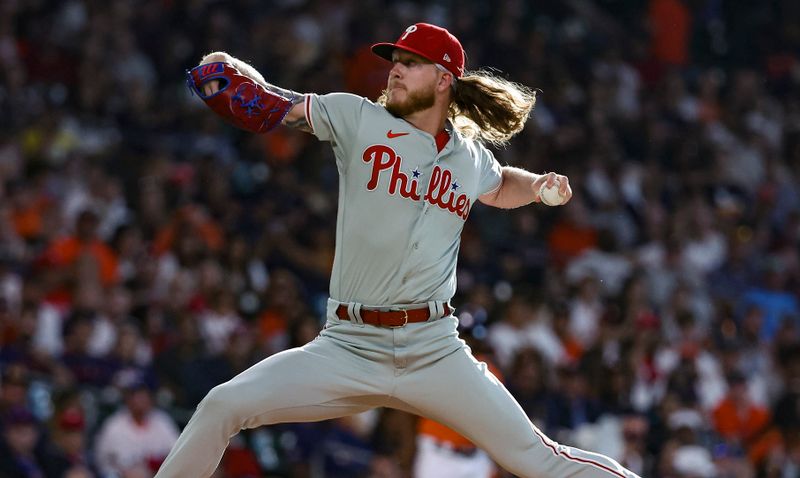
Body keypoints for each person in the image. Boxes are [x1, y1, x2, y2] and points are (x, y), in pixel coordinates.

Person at [156, 23, 639, 478]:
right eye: (396, 60)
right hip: (348, 345)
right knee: (222, 405)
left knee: (536, 457)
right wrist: (228, 67)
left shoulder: (468, 157)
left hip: (434, 349)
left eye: (412, 61)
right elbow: (271, 103)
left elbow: (498, 185)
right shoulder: (357, 117)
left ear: (444, 79)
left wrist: (537, 186)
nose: (396, 68)